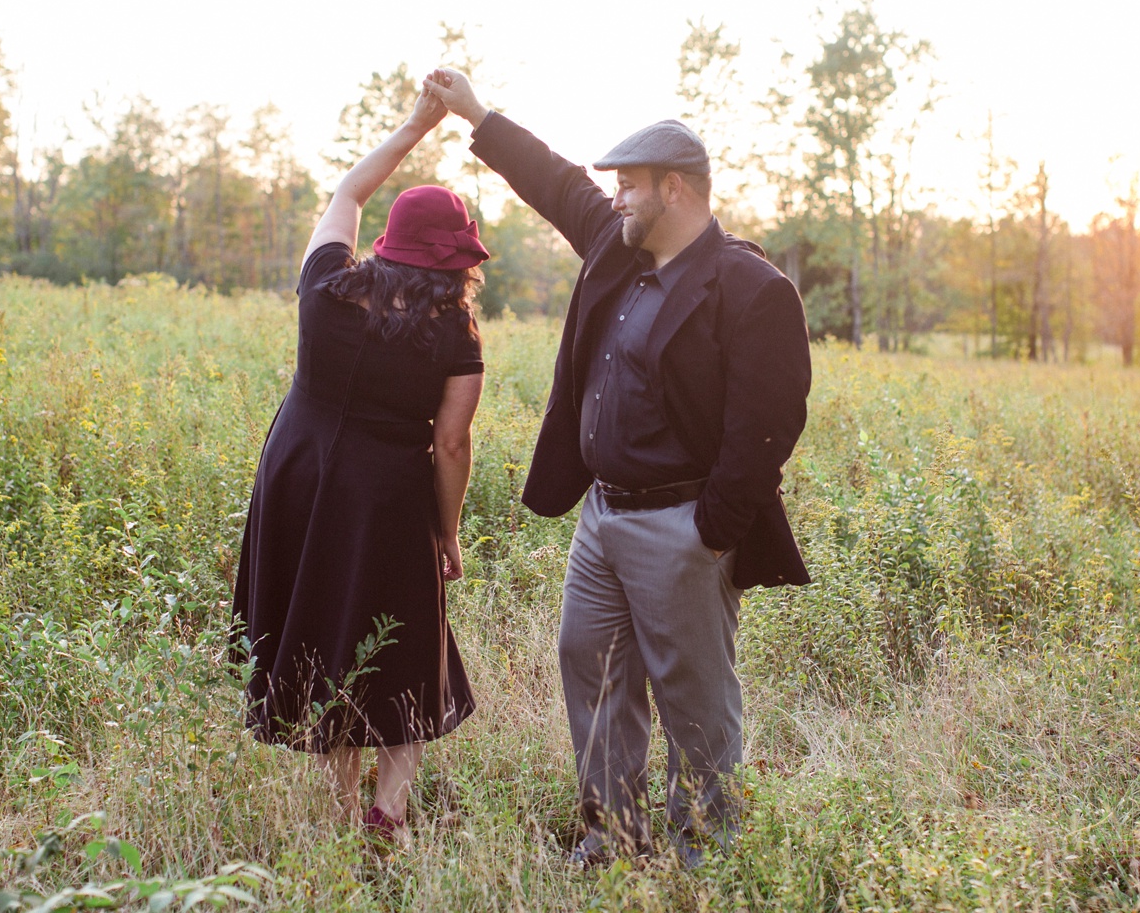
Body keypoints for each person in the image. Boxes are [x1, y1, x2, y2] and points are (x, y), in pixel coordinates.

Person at [424, 68, 812, 866]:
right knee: (589, 665)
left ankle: (703, 843)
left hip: (682, 523)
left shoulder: (749, 287)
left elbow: (768, 424)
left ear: (676, 189)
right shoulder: (615, 246)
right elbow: (554, 181)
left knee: (694, 694)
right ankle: (615, 832)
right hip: (602, 517)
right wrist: (478, 114)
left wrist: (711, 532)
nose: (616, 200)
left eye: (629, 187)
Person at [230, 84, 487, 845]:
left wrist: (415, 124)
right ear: (458, 258)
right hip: (387, 496)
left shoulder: (327, 285)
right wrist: (448, 534)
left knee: (322, 631)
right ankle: (389, 813)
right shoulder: (457, 332)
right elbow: (450, 444)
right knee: (404, 642)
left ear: (388, 240)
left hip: (299, 479)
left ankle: (344, 809)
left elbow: (347, 188)